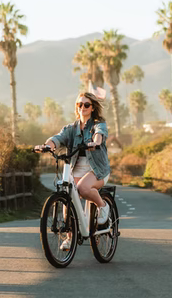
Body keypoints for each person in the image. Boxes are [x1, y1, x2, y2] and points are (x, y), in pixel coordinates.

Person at [35, 92, 111, 250]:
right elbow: (58, 138)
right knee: (67, 193)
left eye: (86, 105)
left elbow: (99, 135)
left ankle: (103, 206)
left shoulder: (99, 123)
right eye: (79, 104)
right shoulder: (71, 128)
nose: (82, 107)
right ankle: (69, 236)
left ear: (92, 108)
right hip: (76, 168)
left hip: (97, 169)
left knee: (83, 188)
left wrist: (95, 143)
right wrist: (47, 146)